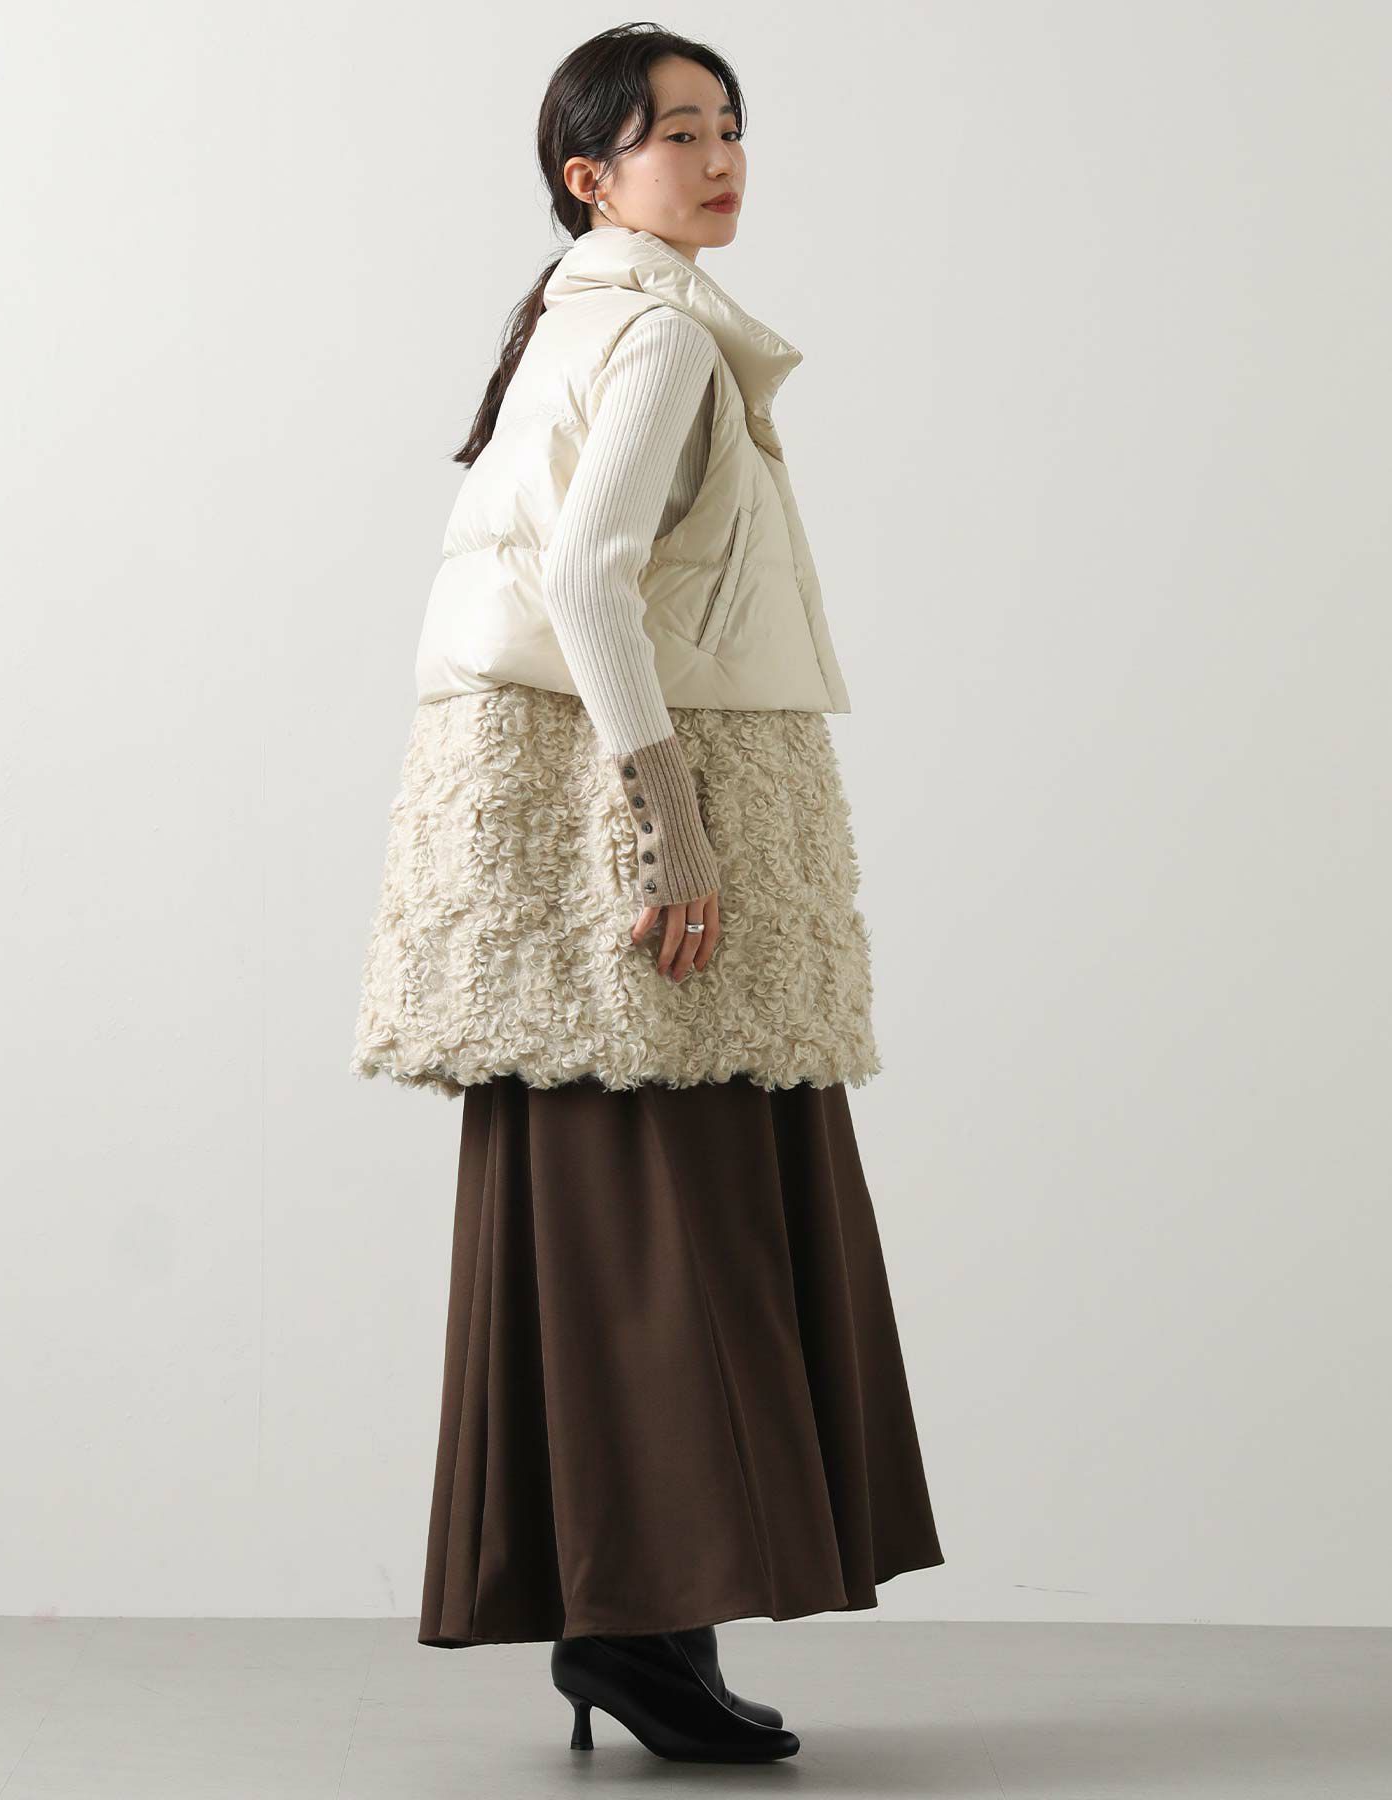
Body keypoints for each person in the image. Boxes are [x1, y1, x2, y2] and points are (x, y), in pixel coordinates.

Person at [350, 23, 944, 1763]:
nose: (721, 154)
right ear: (589, 175)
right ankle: (639, 1628)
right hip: (633, 802)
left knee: (601, 1205)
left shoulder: (574, 319)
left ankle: (623, 1617)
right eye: (677, 131)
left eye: (731, 124)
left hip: (535, 815)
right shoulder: (664, 333)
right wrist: (670, 827)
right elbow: (590, 578)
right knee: (685, 1209)